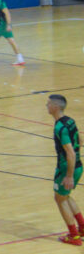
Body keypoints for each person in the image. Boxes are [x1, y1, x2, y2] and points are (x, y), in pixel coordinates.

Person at [48, 94, 84, 246]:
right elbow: (80, 141)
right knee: (65, 196)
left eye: (49, 104)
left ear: (56, 107)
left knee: (59, 199)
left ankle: (74, 236)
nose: (47, 106)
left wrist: (68, 175)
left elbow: (70, 153)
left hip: (67, 168)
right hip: (78, 166)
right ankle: (82, 228)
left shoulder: (60, 127)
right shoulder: (70, 121)